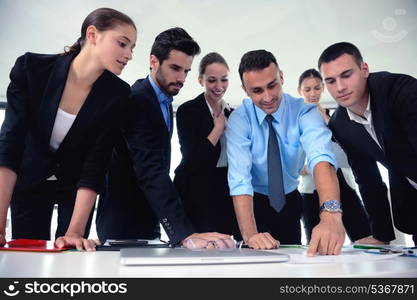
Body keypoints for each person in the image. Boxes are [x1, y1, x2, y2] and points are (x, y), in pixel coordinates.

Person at [0, 8, 137, 251]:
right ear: (93, 34)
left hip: (76, 191)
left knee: (72, 254)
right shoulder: (31, 69)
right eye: (123, 44)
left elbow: (97, 161)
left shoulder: (117, 94)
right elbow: (10, 145)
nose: (129, 55)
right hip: (28, 180)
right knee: (27, 256)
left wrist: (74, 230)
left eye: (132, 48)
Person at [96, 28, 234, 248]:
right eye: (175, 68)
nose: (181, 78)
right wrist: (184, 233)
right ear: (154, 61)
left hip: (148, 221)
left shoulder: (163, 101)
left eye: (186, 71)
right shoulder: (138, 100)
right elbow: (150, 170)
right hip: (125, 222)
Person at [226, 50, 345, 255]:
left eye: (272, 85)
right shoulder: (240, 119)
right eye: (257, 90)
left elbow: (321, 157)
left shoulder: (304, 112)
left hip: (289, 201)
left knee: (292, 262)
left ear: (281, 77)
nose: (268, 97)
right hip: (252, 203)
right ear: (245, 90)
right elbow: (239, 178)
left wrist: (331, 215)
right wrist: (250, 235)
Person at [319, 42, 416, 244]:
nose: (340, 87)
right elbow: (367, 178)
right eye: (330, 80)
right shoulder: (340, 123)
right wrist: (381, 236)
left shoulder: (401, 91)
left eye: (346, 75)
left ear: (364, 69)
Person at [297, 69, 376, 244]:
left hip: (343, 183)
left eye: (317, 88)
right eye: (307, 89)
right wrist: (301, 167)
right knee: (318, 244)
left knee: (365, 235)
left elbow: (349, 151)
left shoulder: (335, 117)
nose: (313, 93)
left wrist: (326, 121)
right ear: (299, 91)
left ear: (322, 88)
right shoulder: (295, 121)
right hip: (310, 190)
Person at [173, 52, 238, 236]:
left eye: (224, 80)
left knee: (225, 249)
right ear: (201, 80)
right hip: (196, 191)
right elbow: (193, 161)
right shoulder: (187, 111)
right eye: (212, 80)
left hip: (225, 189)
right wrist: (217, 129)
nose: (219, 86)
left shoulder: (234, 114)